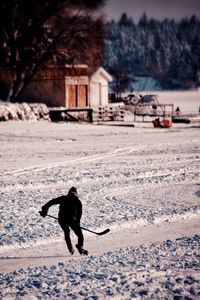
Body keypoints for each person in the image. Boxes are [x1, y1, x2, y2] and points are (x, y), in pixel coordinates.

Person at [40, 187, 88, 255]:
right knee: (80, 235)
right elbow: (79, 214)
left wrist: (44, 209)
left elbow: (52, 202)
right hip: (72, 221)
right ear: (76, 193)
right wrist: (77, 223)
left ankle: (70, 248)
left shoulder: (63, 198)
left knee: (66, 232)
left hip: (62, 220)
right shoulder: (77, 201)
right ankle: (80, 246)